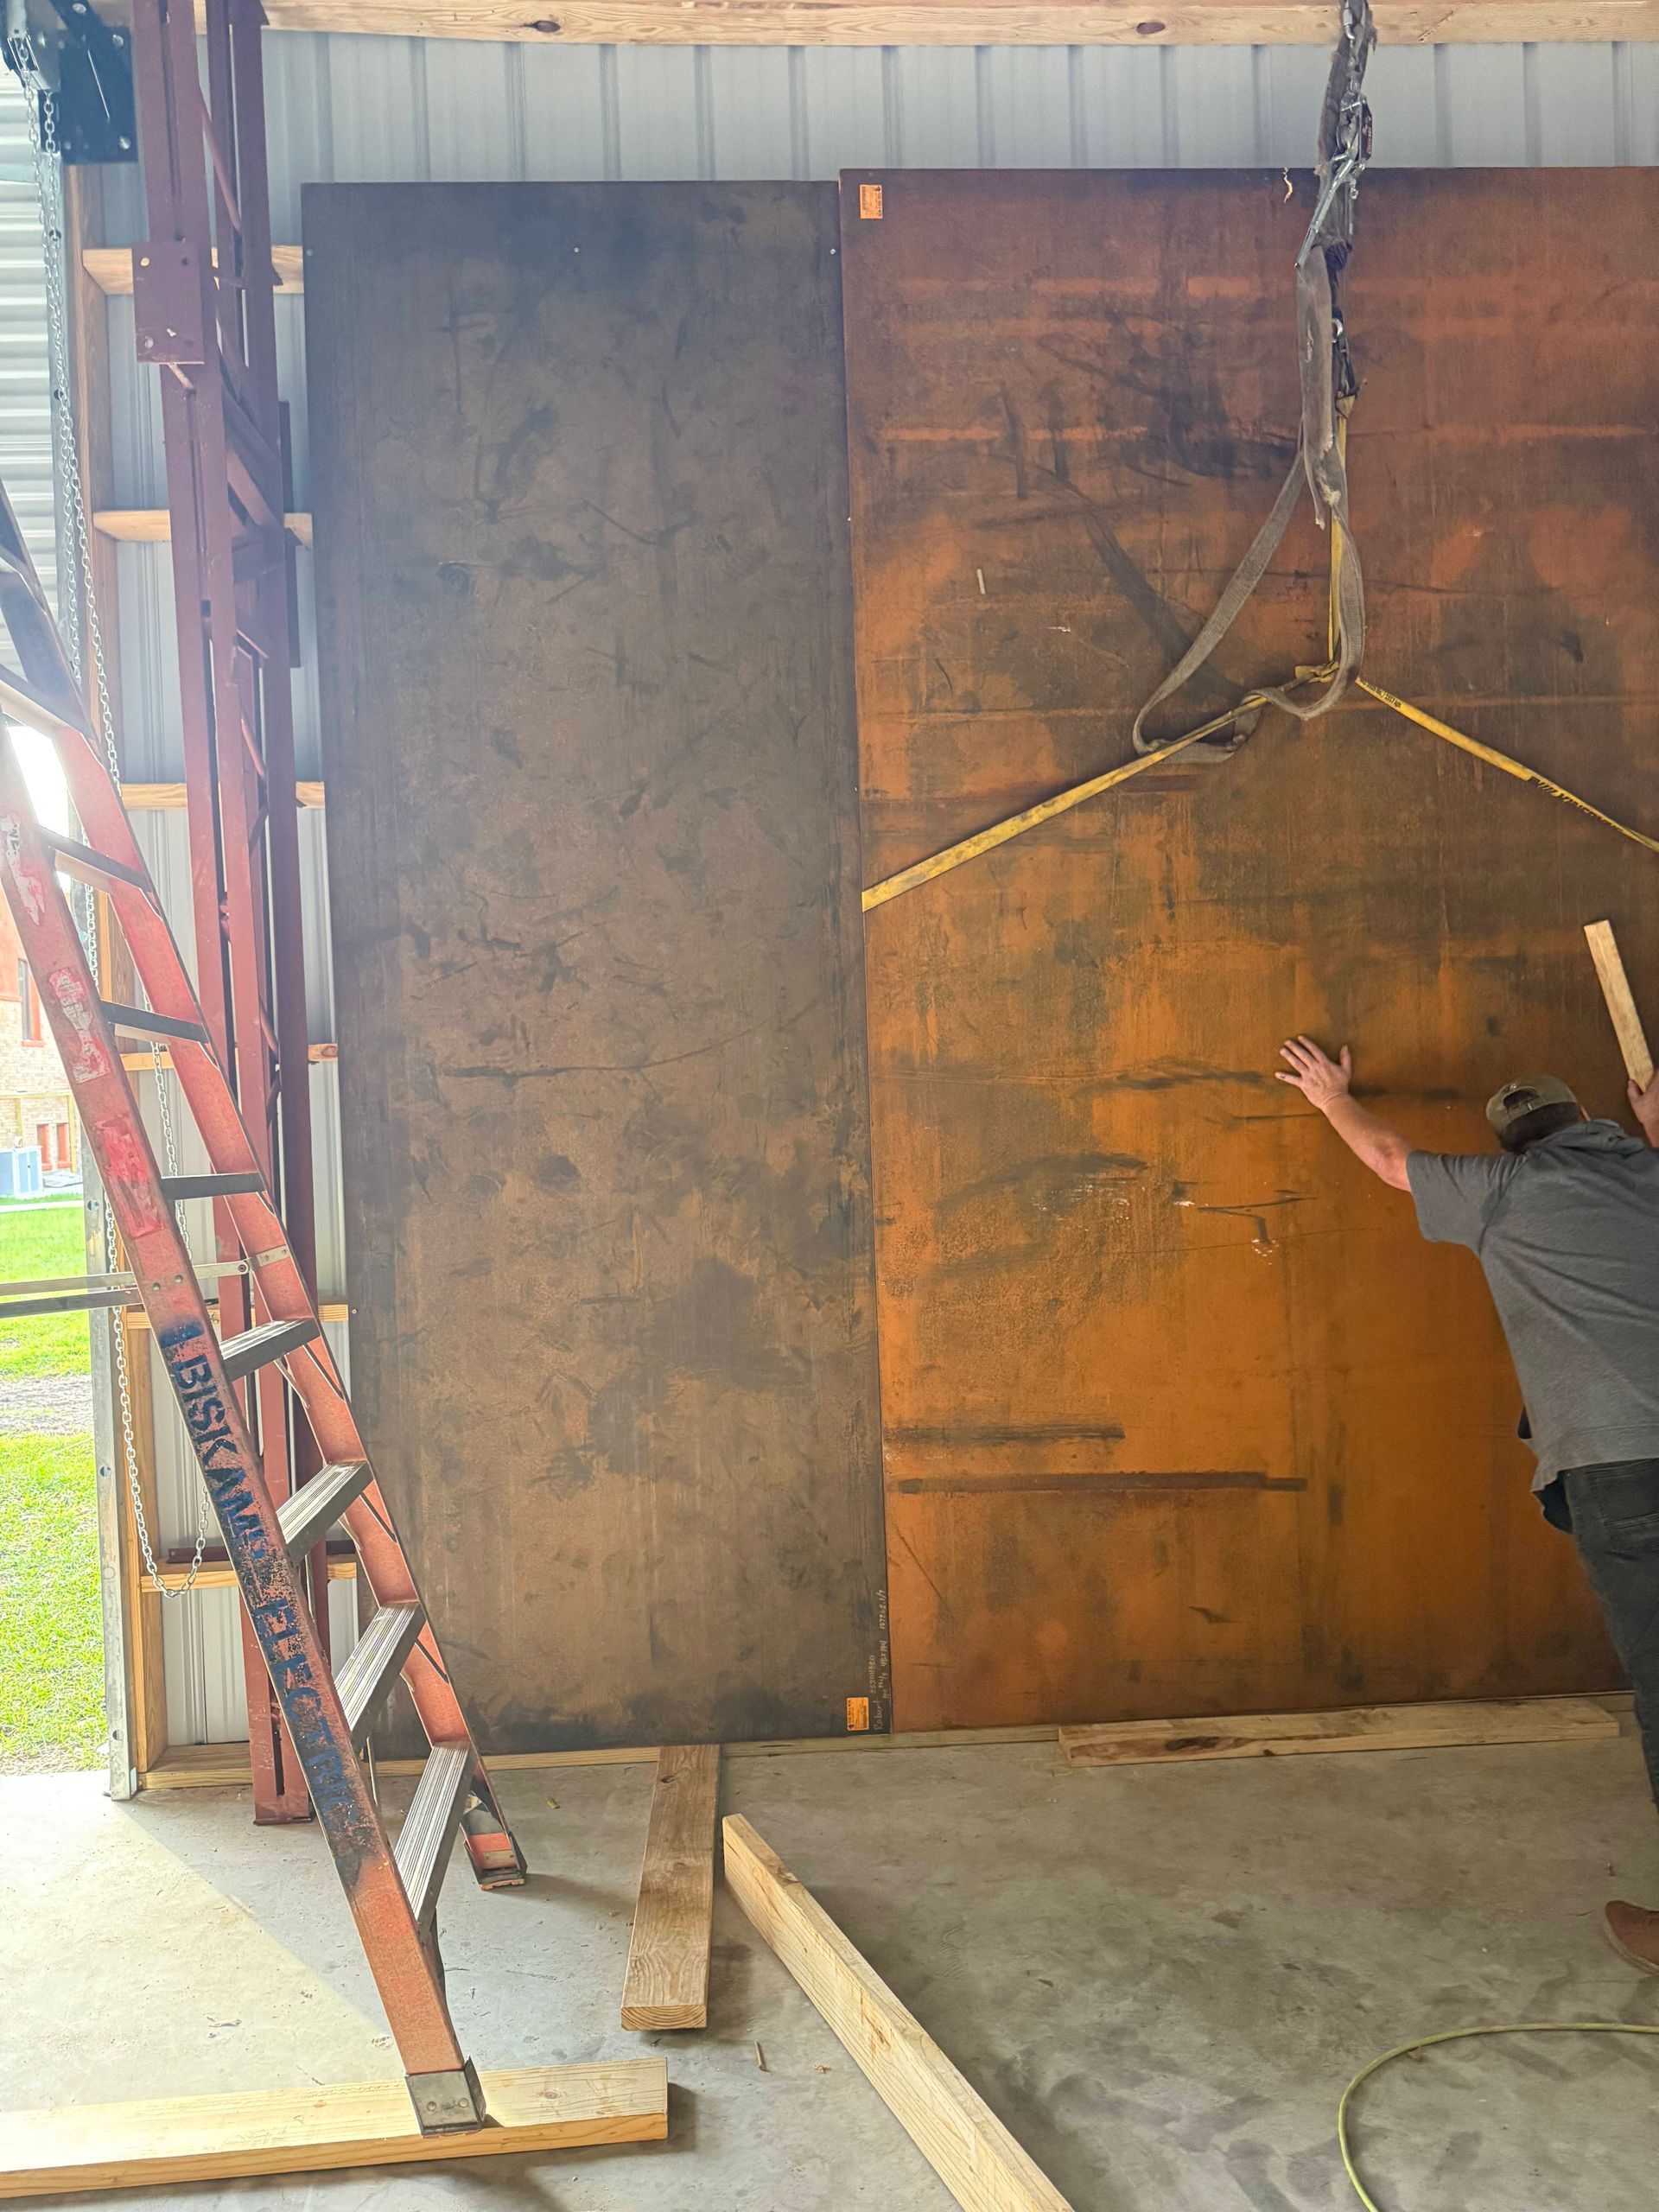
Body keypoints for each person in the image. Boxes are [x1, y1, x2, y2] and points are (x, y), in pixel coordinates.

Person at [1275, 1033, 1659, 1973]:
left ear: (1517, 1145)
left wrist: (1330, 1096)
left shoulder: (1507, 1195)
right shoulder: (1648, 1177)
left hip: (1624, 1468)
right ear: (1587, 1123)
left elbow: (1390, 1159)